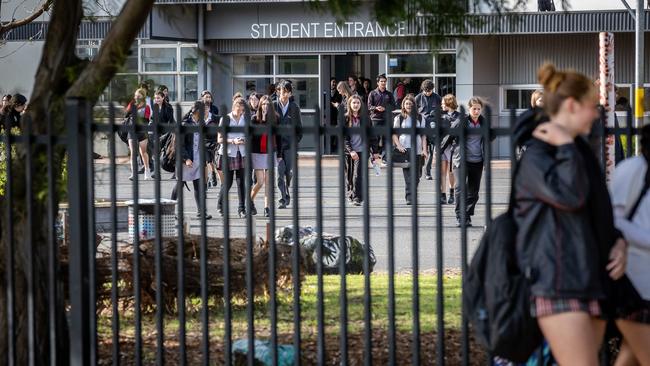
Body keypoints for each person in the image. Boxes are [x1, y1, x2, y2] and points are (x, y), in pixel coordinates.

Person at [514, 63, 626, 366]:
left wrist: (618, 242)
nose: (597, 114)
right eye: (592, 107)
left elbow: (597, 209)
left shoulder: (578, 151)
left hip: (588, 277)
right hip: (557, 281)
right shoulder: (539, 155)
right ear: (572, 105)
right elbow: (572, 197)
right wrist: (564, 145)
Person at [611, 124, 650, 366]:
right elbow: (614, 220)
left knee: (630, 356)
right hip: (632, 285)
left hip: (645, 283)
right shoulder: (633, 169)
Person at [443, 97, 491, 226]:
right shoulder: (462, 121)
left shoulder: (483, 122)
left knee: (474, 191)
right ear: (469, 109)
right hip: (461, 160)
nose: (476, 111)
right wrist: (440, 150)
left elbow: (489, 136)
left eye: (478, 109)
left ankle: (467, 215)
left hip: (478, 160)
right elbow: (449, 136)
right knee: (460, 187)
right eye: (474, 109)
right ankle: (460, 216)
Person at [172, 101, 212, 220]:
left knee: (198, 186)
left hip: (198, 159)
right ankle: (168, 209)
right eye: (203, 110)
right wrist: (186, 159)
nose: (206, 112)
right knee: (179, 185)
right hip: (186, 160)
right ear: (197, 111)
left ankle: (201, 212)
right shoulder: (185, 124)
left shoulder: (202, 123)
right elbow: (179, 144)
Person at [392, 95, 428, 205]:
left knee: (417, 176)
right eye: (406, 103)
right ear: (403, 105)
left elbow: (423, 136)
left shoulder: (420, 118)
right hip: (405, 150)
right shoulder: (399, 118)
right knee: (408, 176)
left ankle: (413, 193)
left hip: (417, 150)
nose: (408, 105)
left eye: (410, 104)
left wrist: (424, 150)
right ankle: (409, 197)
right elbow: (394, 134)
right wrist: (398, 146)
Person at [217, 97, 248, 217]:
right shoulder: (225, 119)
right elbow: (219, 139)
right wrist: (233, 141)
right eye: (238, 109)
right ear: (234, 107)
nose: (240, 112)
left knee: (241, 182)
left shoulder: (245, 119)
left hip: (242, 153)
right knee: (228, 182)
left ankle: (242, 209)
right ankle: (220, 205)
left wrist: (244, 140)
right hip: (228, 153)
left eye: (242, 109)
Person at [274, 80, 302, 209]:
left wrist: (294, 142)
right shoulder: (273, 106)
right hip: (277, 146)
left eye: (286, 92)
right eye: (281, 91)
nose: (283, 94)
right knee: (279, 172)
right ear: (277, 91)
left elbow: (299, 129)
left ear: (290, 94)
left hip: (290, 146)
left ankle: (286, 193)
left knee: (287, 173)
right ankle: (282, 198)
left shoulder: (294, 107)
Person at [344, 94, 373, 206]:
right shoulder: (346, 118)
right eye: (353, 103)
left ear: (361, 105)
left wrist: (374, 151)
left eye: (358, 103)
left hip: (362, 151)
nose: (356, 105)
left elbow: (372, 136)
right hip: (349, 152)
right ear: (350, 104)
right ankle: (350, 194)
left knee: (358, 174)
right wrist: (351, 150)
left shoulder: (366, 118)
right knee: (349, 175)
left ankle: (357, 197)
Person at [251, 95, 277, 217]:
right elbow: (253, 137)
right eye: (263, 104)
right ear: (260, 105)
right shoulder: (254, 119)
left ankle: (267, 207)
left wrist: (280, 154)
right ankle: (250, 200)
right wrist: (264, 120)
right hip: (257, 152)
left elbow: (279, 137)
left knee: (268, 182)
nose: (265, 106)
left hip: (271, 152)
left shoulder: (276, 118)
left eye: (268, 104)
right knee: (260, 182)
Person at [414, 79, 442, 181]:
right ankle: (420, 170)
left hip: (433, 127)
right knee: (421, 150)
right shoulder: (418, 98)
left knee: (431, 151)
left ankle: (428, 171)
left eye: (429, 91)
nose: (427, 92)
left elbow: (442, 110)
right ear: (423, 89)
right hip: (421, 125)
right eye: (426, 91)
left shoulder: (437, 97)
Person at [368, 73, 396, 164]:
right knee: (374, 139)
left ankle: (384, 158)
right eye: (381, 81)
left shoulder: (389, 94)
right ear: (378, 83)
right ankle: (374, 156)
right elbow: (368, 106)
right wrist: (376, 108)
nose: (383, 83)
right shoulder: (372, 93)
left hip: (386, 119)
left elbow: (394, 106)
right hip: (375, 119)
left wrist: (386, 108)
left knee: (386, 139)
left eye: (384, 81)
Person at [125, 88, 152, 180]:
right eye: (135, 95)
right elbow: (126, 114)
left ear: (143, 96)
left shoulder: (146, 107)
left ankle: (147, 171)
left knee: (143, 152)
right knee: (133, 152)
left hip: (142, 130)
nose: (136, 97)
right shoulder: (132, 104)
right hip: (132, 130)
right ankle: (133, 173)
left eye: (138, 96)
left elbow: (147, 119)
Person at [439, 94, 459, 205]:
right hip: (442, 146)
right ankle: (443, 195)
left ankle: (452, 194)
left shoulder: (460, 116)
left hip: (453, 147)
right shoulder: (440, 116)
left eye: (443, 103)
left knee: (451, 172)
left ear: (448, 103)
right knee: (442, 172)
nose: (441, 105)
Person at [201, 90, 220, 188]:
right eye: (206, 97)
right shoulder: (198, 108)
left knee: (214, 161)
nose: (207, 98)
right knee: (207, 161)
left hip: (214, 139)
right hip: (203, 141)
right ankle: (207, 180)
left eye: (209, 97)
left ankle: (213, 174)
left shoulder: (214, 109)